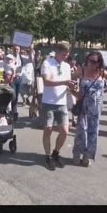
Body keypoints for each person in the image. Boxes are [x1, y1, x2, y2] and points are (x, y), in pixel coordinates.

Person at [70, 51, 107, 167]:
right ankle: (77, 154)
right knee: (81, 131)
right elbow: (69, 81)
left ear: (99, 63)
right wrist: (75, 93)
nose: (91, 63)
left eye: (95, 61)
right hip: (83, 107)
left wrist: (104, 89)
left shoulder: (102, 73)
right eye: (90, 60)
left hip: (96, 109)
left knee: (93, 133)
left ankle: (87, 156)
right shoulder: (82, 70)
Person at [40, 42, 76, 171]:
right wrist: (65, 82)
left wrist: (72, 87)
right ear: (57, 51)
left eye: (67, 54)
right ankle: (48, 156)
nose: (66, 56)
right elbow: (46, 82)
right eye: (63, 54)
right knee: (48, 130)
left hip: (62, 103)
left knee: (65, 131)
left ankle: (56, 153)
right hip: (49, 102)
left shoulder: (66, 66)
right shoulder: (47, 63)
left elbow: (67, 84)